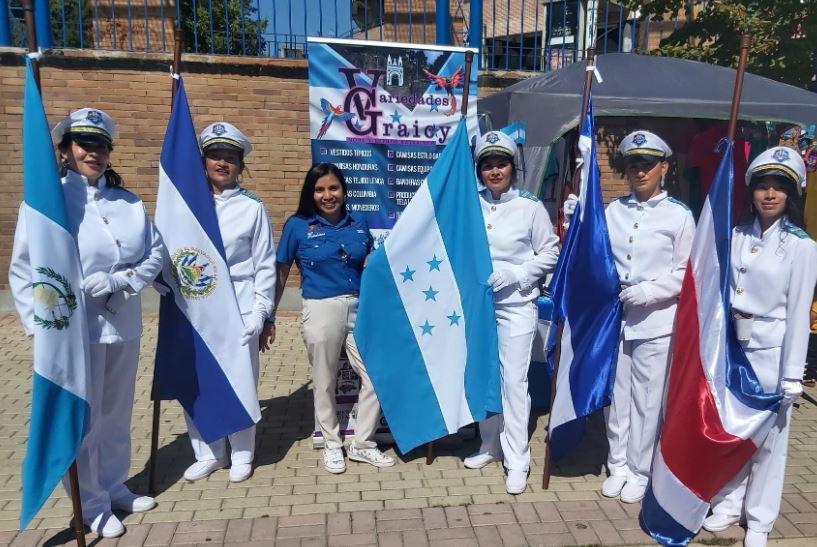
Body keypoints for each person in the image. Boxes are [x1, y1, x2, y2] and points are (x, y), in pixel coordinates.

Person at [9, 108, 163, 538]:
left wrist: (123, 278)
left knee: (116, 412)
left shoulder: (128, 203)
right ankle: (91, 503)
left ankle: (114, 485)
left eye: (100, 145)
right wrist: (41, 327)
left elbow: (155, 252)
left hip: (123, 323)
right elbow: (24, 269)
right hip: (75, 332)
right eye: (84, 143)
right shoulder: (49, 202)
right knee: (85, 417)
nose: (93, 152)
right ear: (65, 149)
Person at [702, 146, 817, 547]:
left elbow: (800, 313)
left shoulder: (801, 246)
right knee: (734, 432)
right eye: (762, 187)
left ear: (792, 194)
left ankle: (761, 518)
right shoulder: (737, 234)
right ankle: (730, 502)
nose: (769, 195)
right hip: (734, 348)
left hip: (772, 352)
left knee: (770, 441)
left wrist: (792, 375)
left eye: (779, 188)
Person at [269, 162, 394, 474]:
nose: (327, 195)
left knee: (376, 375)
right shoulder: (297, 226)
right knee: (324, 382)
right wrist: (269, 315)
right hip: (320, 308)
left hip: (360, 307)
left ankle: (361, 444)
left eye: (333, 188)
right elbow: (281, 273)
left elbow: (370, 267)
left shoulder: (359, 224)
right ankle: (332, 444)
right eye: (320, 189)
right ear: (311, 193)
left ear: (344, 191)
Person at [594, 130, 695, 503]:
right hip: (616, 319)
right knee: (616, 398)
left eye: (648, 165)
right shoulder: (613, 210)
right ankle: (617, 464)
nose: (640, 172)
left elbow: (688, 272)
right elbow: (596, 253)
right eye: (634, 165)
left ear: (664, 168)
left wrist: (650, 290)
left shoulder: (679, 215)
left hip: (655, 321)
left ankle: (641, 469)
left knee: (647, 399)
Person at [462, 131, 560, 494]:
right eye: (487, 165)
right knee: (483, 375)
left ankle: (517, 457)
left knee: (514, 383)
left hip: (516, 305)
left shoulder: (530, 207)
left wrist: (517, 274)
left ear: (513, 167)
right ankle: (489, 442)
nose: (494, 171)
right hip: (479, 306)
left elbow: (550, 253)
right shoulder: (472, 203)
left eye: (500, 163)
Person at [180, 122, 277, 484]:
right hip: (197, 307)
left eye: (231, 158)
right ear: (203, 161)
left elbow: (265, 264)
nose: (223, 163)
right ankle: (209, 452)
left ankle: (242, 452)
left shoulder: (252, 208)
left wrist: (261, 311)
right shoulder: (186, 205)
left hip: (238, 307)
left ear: (240, 165)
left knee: (241, 381)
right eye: (216, 156)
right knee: (198, 381)